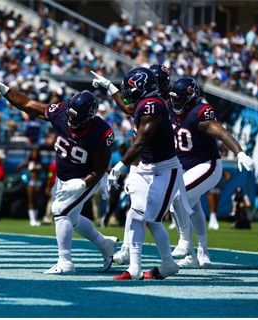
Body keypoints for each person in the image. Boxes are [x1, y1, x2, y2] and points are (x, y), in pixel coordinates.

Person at [0, 80, 117, 274]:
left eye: (76, 119)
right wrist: (4, 90)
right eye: (70, 116)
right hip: (64, 176)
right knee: (73, 219)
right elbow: (28, 105)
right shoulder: (61, 111)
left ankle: (65, 262)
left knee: (60, 211)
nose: (71, 121)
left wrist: (83, 184)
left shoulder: (101, 132)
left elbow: (99, 169)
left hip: (85, 178)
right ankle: (105, 244)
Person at [92, 67, 191, 280]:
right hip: (146, 168)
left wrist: (119, 166)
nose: (127, 91)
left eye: (130, 87)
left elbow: (140, 142)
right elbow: (127, 108)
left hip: (165, 169)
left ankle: (168, 264)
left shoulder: (153, 106)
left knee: (152, 220)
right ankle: (134, 268)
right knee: (136, 215)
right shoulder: (145, 104)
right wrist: (110, 86)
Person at [165, 77, 255, 267]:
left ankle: (185, 242)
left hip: (207, 165)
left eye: (180, 99)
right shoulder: (169, 108)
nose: (175, 103)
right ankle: (200, 253)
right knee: (193, 206)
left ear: (190, 99)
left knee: (176, 197)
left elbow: (220, 131)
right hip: (183, 167)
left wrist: (239, 152)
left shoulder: (199, 113)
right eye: (174, 99)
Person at [16, 148, 44, 226]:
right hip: (31, 182)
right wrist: (24, 175)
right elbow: (18, 167)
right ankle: (32, 220)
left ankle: (35, 219)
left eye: (36, 153)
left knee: (37, 201)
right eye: (33, 153)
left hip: (38, 182)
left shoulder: (40, 163)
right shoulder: (29, 162)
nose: (35, 155)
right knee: (31, 201)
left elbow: (47, 172)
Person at [42, 160, 56, 224]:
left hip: (65, 185)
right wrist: (48, 186)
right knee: (51, 202)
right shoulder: (54, 164)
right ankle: (47, 218)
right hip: (55, 185)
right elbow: (50, 174)